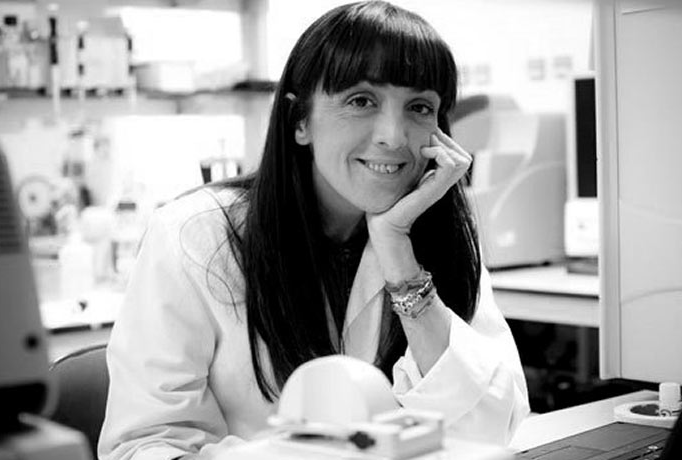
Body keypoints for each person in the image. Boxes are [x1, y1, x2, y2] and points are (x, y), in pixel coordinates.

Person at [98, 1, 530, 459]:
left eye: (419, 107)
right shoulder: (194, 235)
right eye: (361, 101)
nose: (394, 136)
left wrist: (398, 256)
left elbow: (490, 426)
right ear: (299, 120)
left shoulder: (437, 229)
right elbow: (144, 446)